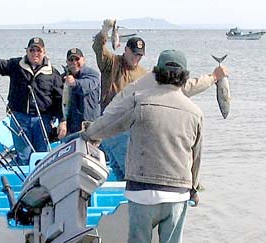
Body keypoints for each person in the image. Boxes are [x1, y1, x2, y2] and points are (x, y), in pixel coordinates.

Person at [81, 49, 204, 243]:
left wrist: (88, 134)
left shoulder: (139, 100)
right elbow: (196, 157)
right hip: (178, 193)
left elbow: (109, 126)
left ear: (156, 74)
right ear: (184, 77)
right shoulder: (195, 112)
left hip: (142, 191)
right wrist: (193, 189)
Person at [93, 18, 228, 180]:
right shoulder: (112, 63)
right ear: (126, 50)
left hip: (127, 128)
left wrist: (213, 78)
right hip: (113, 125)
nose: (137, 58)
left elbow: (186, 87)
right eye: (134, 53)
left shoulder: (144, 74)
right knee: (127, 172)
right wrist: (105, 30)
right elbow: (98, 48)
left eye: (140, 55)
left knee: (121, 172)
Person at [0, 36, 64, 164]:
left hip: (42, 121)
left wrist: (62, 121)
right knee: (24, 156)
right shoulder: (16, 65)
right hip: (20, 119)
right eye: (32, 50)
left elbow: (59, 100)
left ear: (44, 52)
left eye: (38, 51)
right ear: (27, 51)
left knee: (42, 156)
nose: (35, 54)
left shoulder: (53, 73)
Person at [58, 48, 101, 137]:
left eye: (77, 59)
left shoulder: (93, 75)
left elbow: (87, 86)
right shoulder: (61, 79)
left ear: (83, 60)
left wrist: (75, 83)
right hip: (71, 127)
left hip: (90, 125)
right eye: (71, 60)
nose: (74, 62)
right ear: (67, 62)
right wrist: (62, 120)